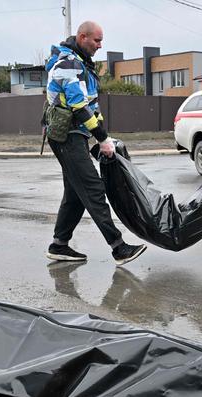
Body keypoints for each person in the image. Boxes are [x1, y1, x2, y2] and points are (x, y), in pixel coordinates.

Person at [44, 21, 146, 265]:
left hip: (74, 135)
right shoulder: (68, 64)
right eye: (97, 40)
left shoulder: (82, 65)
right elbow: (79, 107)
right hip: (66, 137)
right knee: (92, 188)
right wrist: (101, 138)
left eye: (101, 40)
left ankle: (59, 245)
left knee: (75, 193)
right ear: (82, 37)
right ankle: (118, 248)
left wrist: (104, 138)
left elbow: (92, 107)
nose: (100, 46)